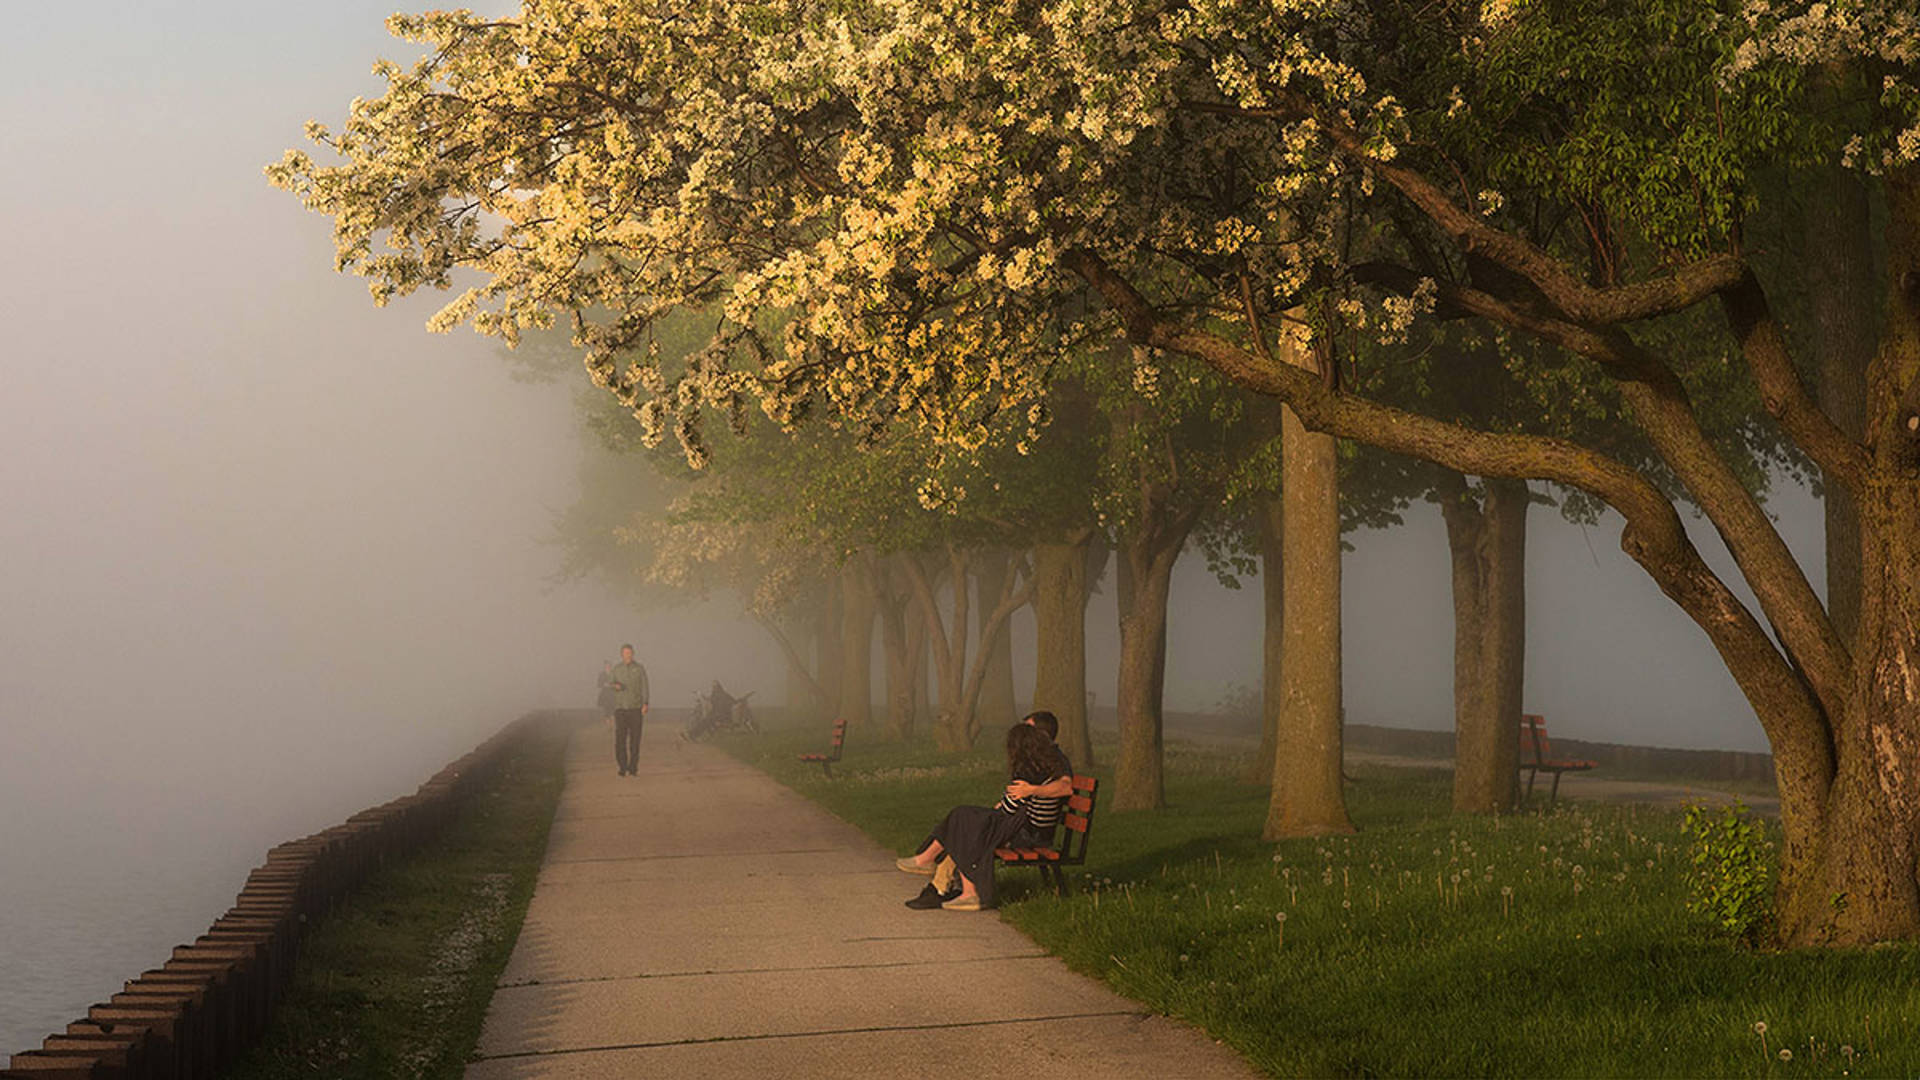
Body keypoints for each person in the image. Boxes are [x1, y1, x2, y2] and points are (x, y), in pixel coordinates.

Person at [895, 721, 1071, 911]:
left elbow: (1010, 808)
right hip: (1028, 828)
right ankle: (945, 882)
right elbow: (1012, 805)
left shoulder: (1030, 773)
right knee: (964, 818)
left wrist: (1023, 793)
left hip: (1028, 834)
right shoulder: (1046, 767)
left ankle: (945, 876)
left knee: (965, 821)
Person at [607, 644, 650, 776]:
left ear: (633, 653)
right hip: (620, 709)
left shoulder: (639, 668)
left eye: (630, 653)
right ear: (622, 654)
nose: (628, 655)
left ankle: (633, 768)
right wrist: (616, 686)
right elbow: (610, 683)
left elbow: (645, 686)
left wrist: (645, 703)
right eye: (625, 653)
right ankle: (622, 766)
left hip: (635, 709)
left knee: (635, 740)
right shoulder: (617, 669)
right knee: (620, 740)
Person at [596, 660, 618, 729]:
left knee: (614, 710)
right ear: (604, 666)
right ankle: (608, 726)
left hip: (613, 694)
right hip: (605, 695)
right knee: (606, 710)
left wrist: (613, 685)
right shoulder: (602, 674)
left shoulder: (614, 674)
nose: (608, 667)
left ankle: (613, 725)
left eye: (609, 665)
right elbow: (598, 684)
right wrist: (604, 684)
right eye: (607, 666)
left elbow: (617, 683)